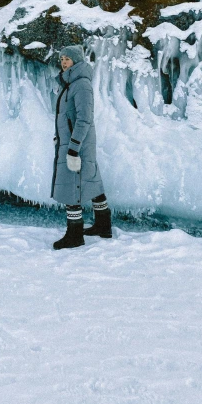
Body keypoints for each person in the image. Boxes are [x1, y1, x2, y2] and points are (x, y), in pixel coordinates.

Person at [51, 44, 112, 250]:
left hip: (78, 144)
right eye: (62, 59)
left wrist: (73, 146)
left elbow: (84, 118)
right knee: (90, 180)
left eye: (67, 59)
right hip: (74, 142)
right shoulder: (70, 83)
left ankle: (75, 234)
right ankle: (103, 225)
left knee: (72, 184)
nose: (64, 62)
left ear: (77, 61)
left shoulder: (81, 84)